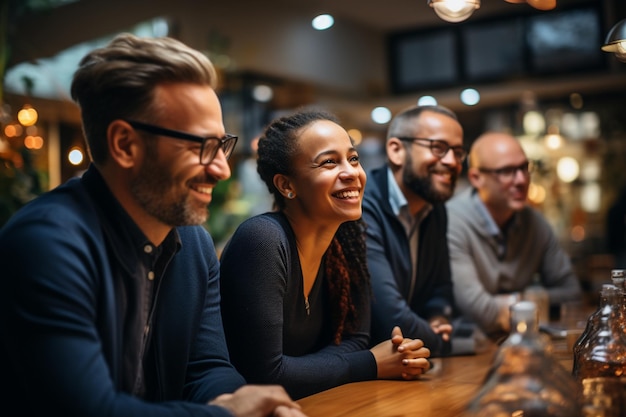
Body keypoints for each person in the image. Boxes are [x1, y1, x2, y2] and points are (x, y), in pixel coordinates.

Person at [0, 33, 305, 417]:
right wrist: (228, 415)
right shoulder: (45, 244)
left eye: (222, 145)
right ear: (125, 145)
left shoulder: (192, 240)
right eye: (202, 147)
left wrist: (256, 407)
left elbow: (206, 368)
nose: (221, 169)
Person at [219, 109, 432, 400]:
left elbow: (355, 339)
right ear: (286, 185)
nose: (351, 173)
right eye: (329, 162)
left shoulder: (346, 240)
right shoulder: (263, 240)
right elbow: (264, 374)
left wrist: (356, 360)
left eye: (353, 159)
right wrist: (370, 363)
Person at [446, 131, 582, 340]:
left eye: (523, 168)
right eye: (507, 171)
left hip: (519, 343)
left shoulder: (535, 223)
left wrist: (519, 300)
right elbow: (479, 310)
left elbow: (572, 293)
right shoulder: (452, 221)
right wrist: (535, 302)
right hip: (466, 350)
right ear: (476, 178)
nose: (521, 180)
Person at [362, 105, 463, 357]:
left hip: (411, 366)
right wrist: (443, 344)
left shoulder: (434, 208)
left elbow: (441, 288)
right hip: (365, 369)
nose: (451, 161)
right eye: (438, 148)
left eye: (458, 152)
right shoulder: (362, 208)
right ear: (397, 151)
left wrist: (438, 316)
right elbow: (390, 319)